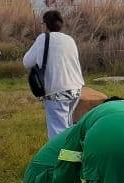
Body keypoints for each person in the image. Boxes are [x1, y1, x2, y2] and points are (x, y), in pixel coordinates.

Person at [23, 10, 84, 138]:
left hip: (56, 90)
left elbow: (27, 62)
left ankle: (58, 157)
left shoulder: (43, 39)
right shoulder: (69, 39)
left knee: (58, 133)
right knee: (68, 127)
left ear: (45, 24)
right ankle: (70, 155)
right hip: (75, 88)